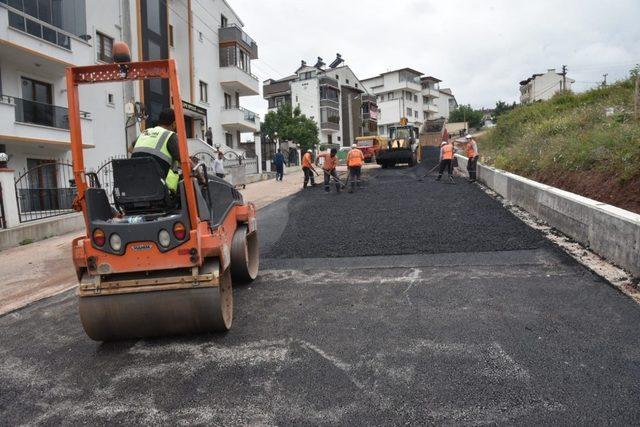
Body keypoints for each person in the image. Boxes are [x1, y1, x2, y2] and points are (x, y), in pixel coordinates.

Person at [132, 108, 182, 193]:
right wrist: (201, 177)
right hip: (156, 190)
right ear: (174, 124)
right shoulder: (170, 135)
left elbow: (130, 149)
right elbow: (184, 161)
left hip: (134, 185)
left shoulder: (145, 132)